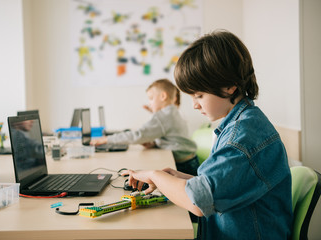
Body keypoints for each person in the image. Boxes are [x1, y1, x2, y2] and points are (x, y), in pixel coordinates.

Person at [122, 30, 293, 240]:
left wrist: (154, 175)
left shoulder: (242, 139)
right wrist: (180, 180)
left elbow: (197, 202)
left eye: (199, 95)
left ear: (230, 86)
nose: (194, 105)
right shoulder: (241, 123)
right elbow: (225, 184)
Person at [91, 78, 199, 176]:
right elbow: (172, 137)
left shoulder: (163, 116)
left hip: (182, 167)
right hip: (190, 161)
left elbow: (138, 135)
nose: (150, 103)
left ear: (163, 96)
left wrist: (107, 139)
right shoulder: (174, 112)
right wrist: (154, 143)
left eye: (151, 98)